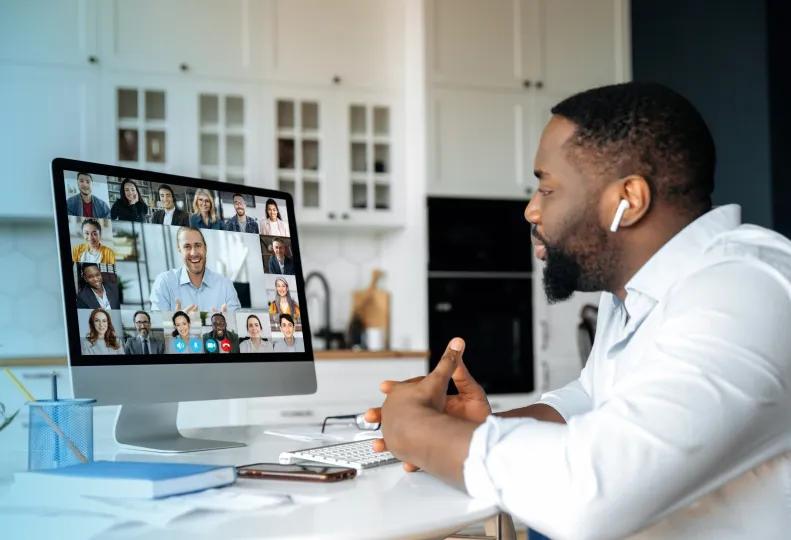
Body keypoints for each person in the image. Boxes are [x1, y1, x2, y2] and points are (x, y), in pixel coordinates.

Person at [366, 82, 791, 539]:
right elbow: (593, 399)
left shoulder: (746, 289)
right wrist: (479, 426)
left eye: (547, 188)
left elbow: (592, 493)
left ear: (628, 199)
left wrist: (417, 429)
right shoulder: (636, 291)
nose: (531, 211)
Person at [149, 226, 241, 312]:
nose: (193, 253)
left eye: (198, 245)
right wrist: (176, 323)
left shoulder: (225, 285)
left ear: (205, 248)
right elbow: (158, 326)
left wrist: (228, 322)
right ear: (180, 250)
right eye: (187, 247)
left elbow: (239, 323)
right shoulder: (164, 282)